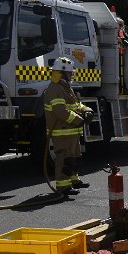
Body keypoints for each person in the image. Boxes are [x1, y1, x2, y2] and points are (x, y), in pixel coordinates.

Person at [43, 57, 93, 195]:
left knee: (75, 157)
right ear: (62, 72)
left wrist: (87, 110)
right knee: (64, 158)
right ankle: (63, 187)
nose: (72, 75)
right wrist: (79, 120)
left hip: (70, 131)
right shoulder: (54, 88)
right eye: (70, 73)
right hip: (62, 131)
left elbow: (76, 104)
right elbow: (61, 111)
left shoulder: (65, 86)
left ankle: (74, 180)